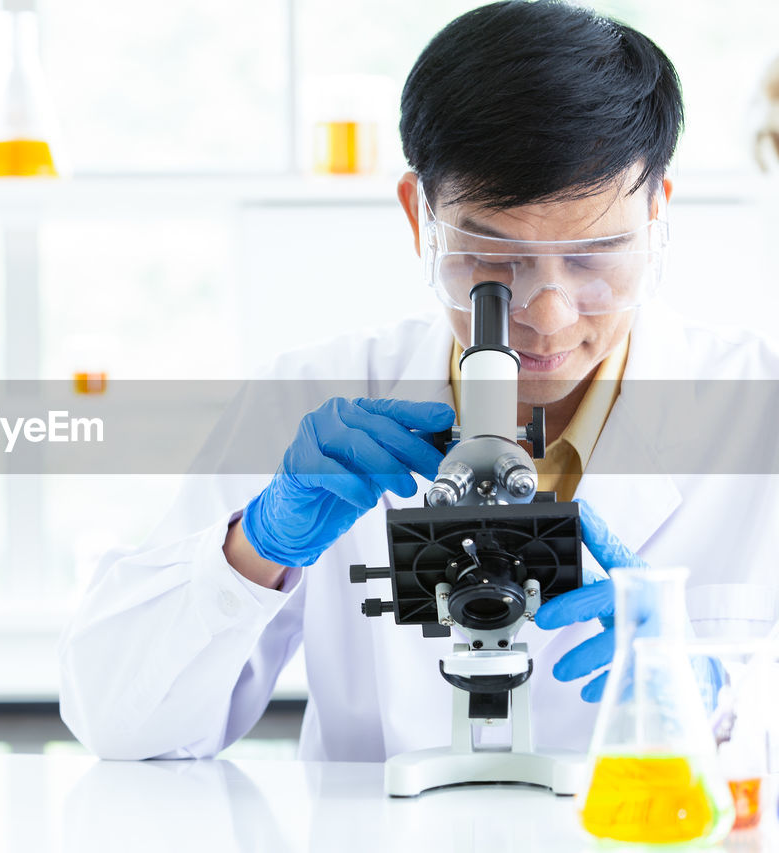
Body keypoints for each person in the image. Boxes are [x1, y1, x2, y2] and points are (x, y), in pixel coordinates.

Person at [59, 0, 779, 762]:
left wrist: (721, 699)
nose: (546, 310)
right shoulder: (312, 398)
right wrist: (251, 549)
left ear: (657, 212)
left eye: (593, 254)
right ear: (419, 216)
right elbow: (117, 720)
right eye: (493, 256)